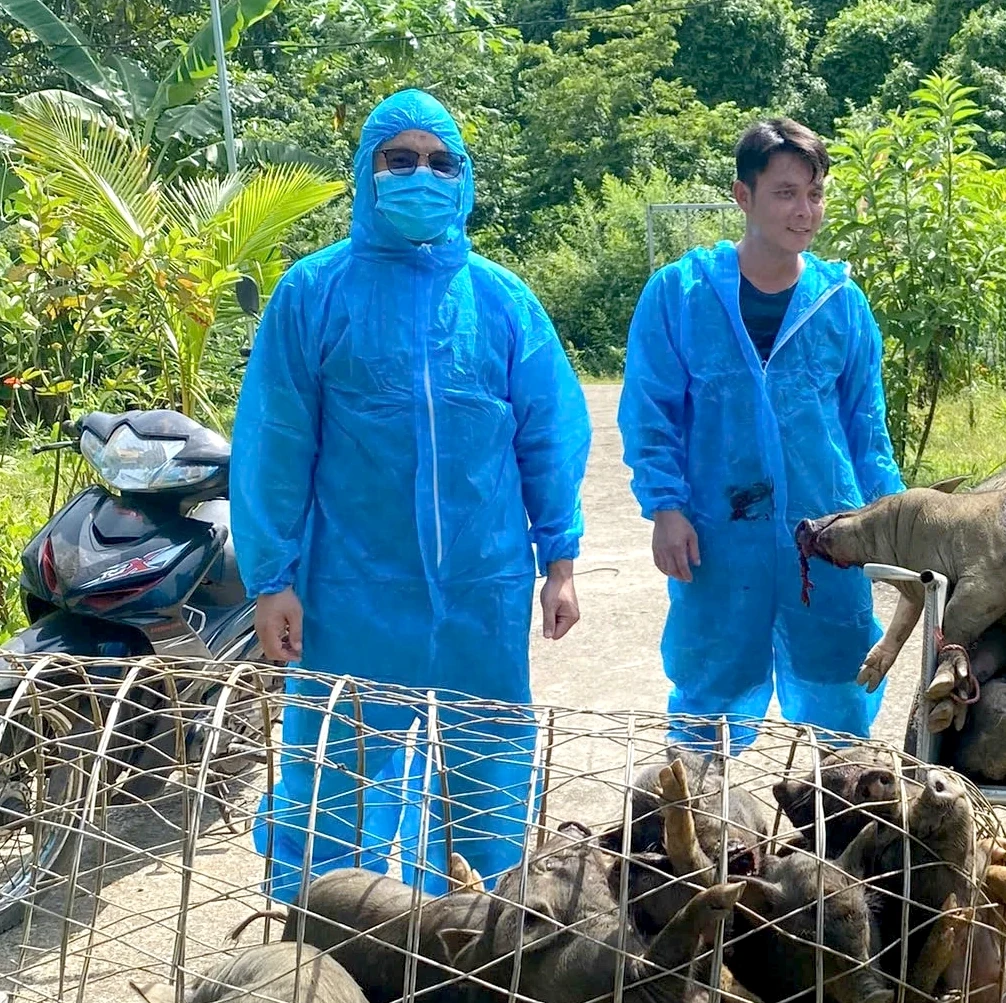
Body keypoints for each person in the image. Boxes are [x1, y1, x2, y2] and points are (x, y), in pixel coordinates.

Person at [233, 89, 591, 900]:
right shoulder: (312, 293)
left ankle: (474, 946)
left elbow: (549, 435)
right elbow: (275, 447)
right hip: (351, 594)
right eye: (401, 161)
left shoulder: (502, 301)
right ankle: (331, 945)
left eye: (440, 163)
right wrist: (272, 579)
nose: (420, 176)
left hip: (482, 589)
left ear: (463, 180)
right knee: (338, 788)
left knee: (487, 781)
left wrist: (559, 559)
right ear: (368, 173)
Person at [619, 118, 903, 748]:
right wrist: (665, 508)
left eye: (815, 193)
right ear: (743, 196)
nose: (805, 211)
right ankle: (701, 829)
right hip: (717, 538)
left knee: (841, 687)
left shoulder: (840, 304)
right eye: (785, 193)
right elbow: (651, 413)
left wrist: (895, 520)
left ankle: (841, 826)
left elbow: (866, 427)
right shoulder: (681, 295)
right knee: (709, 695)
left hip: (829, 533)